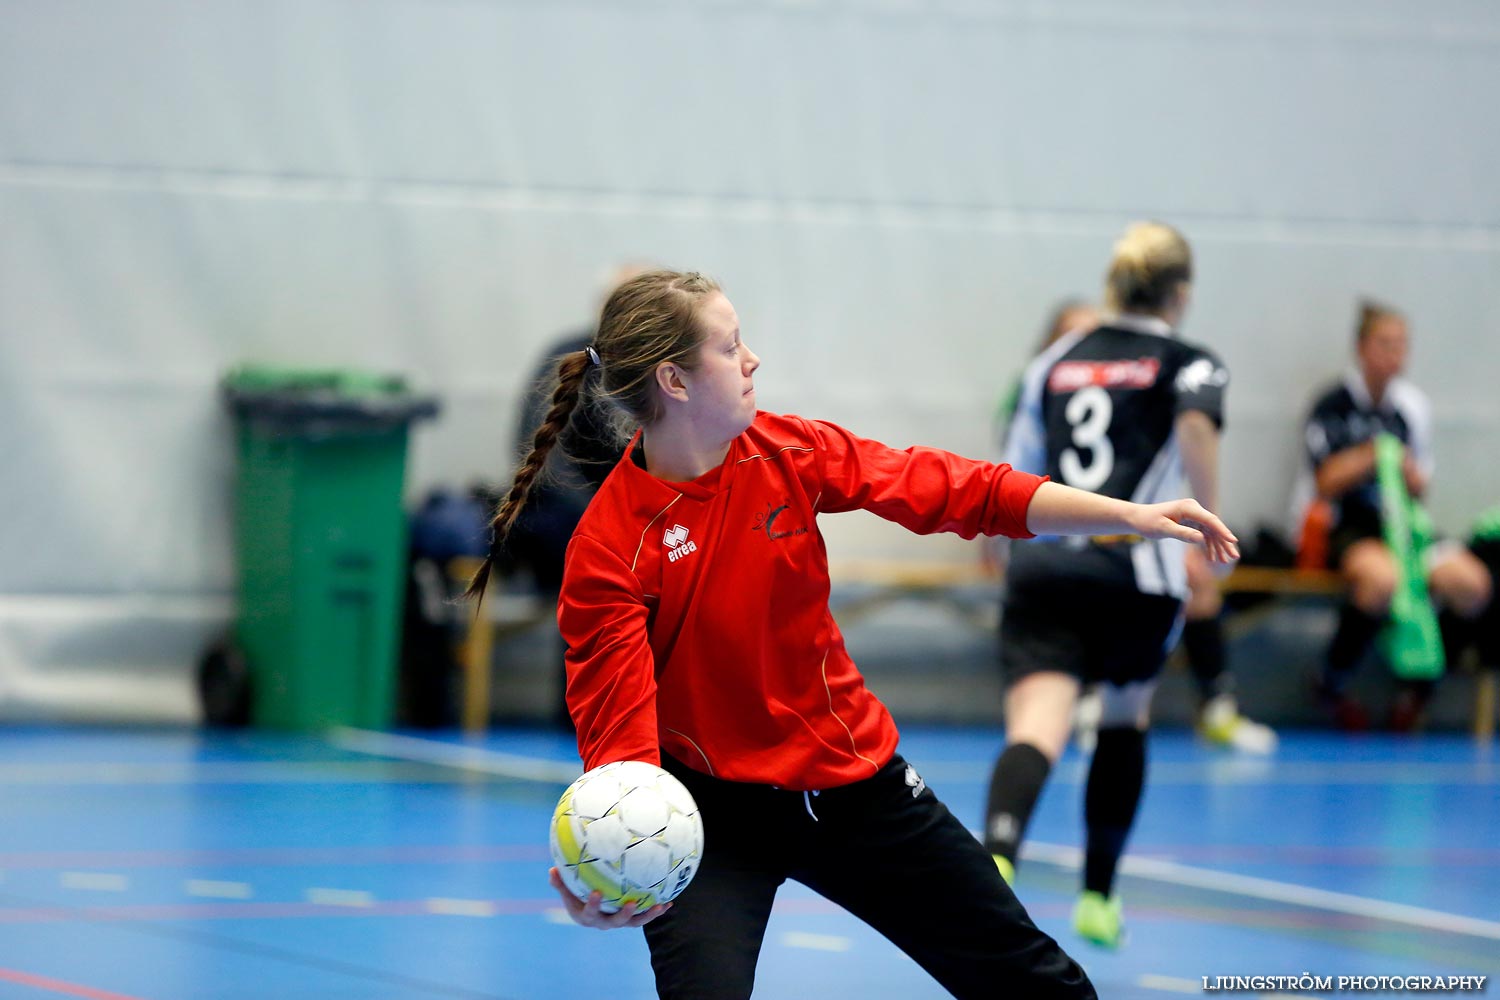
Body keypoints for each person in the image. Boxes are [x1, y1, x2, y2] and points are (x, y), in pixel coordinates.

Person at [464, 269, 1237, 999]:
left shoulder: (787, 451)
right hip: (709, 819)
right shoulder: (607, 548)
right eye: (731, 346)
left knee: (1038, 985)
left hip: (851, 784)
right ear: (675, 381)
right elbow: (621, 745)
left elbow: (957, 489)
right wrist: (608, 868)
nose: (752, 358)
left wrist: (1128, 516)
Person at [982, 222, 1229, 950]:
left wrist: (1003, 546)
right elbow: (1195, 427)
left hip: (1046, 564)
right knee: (1124, 715)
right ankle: (1096, 897)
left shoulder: (1055, 361)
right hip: (1137, 571)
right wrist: (1208, 527)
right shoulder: (1191, 362)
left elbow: (1015, 468)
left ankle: (997, 856)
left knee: (1036, 729)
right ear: (1179, 294)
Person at [1305, 301, 1493, 731]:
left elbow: (1421, 485)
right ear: (1361, 348)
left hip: (1404, 526)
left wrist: (1408, 475)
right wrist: (1372, 456)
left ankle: (1421, 686)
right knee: (1381, 581)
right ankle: (1330, 682)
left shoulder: (1410, 409)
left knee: (1473, 585)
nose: (1395, 355)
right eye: (1385, 344)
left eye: (1402, 345)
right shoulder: (1332, 405)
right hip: (1351, 526)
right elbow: (1324, 480)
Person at [505, 265, 647, 727]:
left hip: (631, 517)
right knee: (593, 554)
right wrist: (606, 517)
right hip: (558, 513)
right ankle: (581, 710)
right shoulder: (570, 357)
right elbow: (542, 457)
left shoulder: (661, 370)